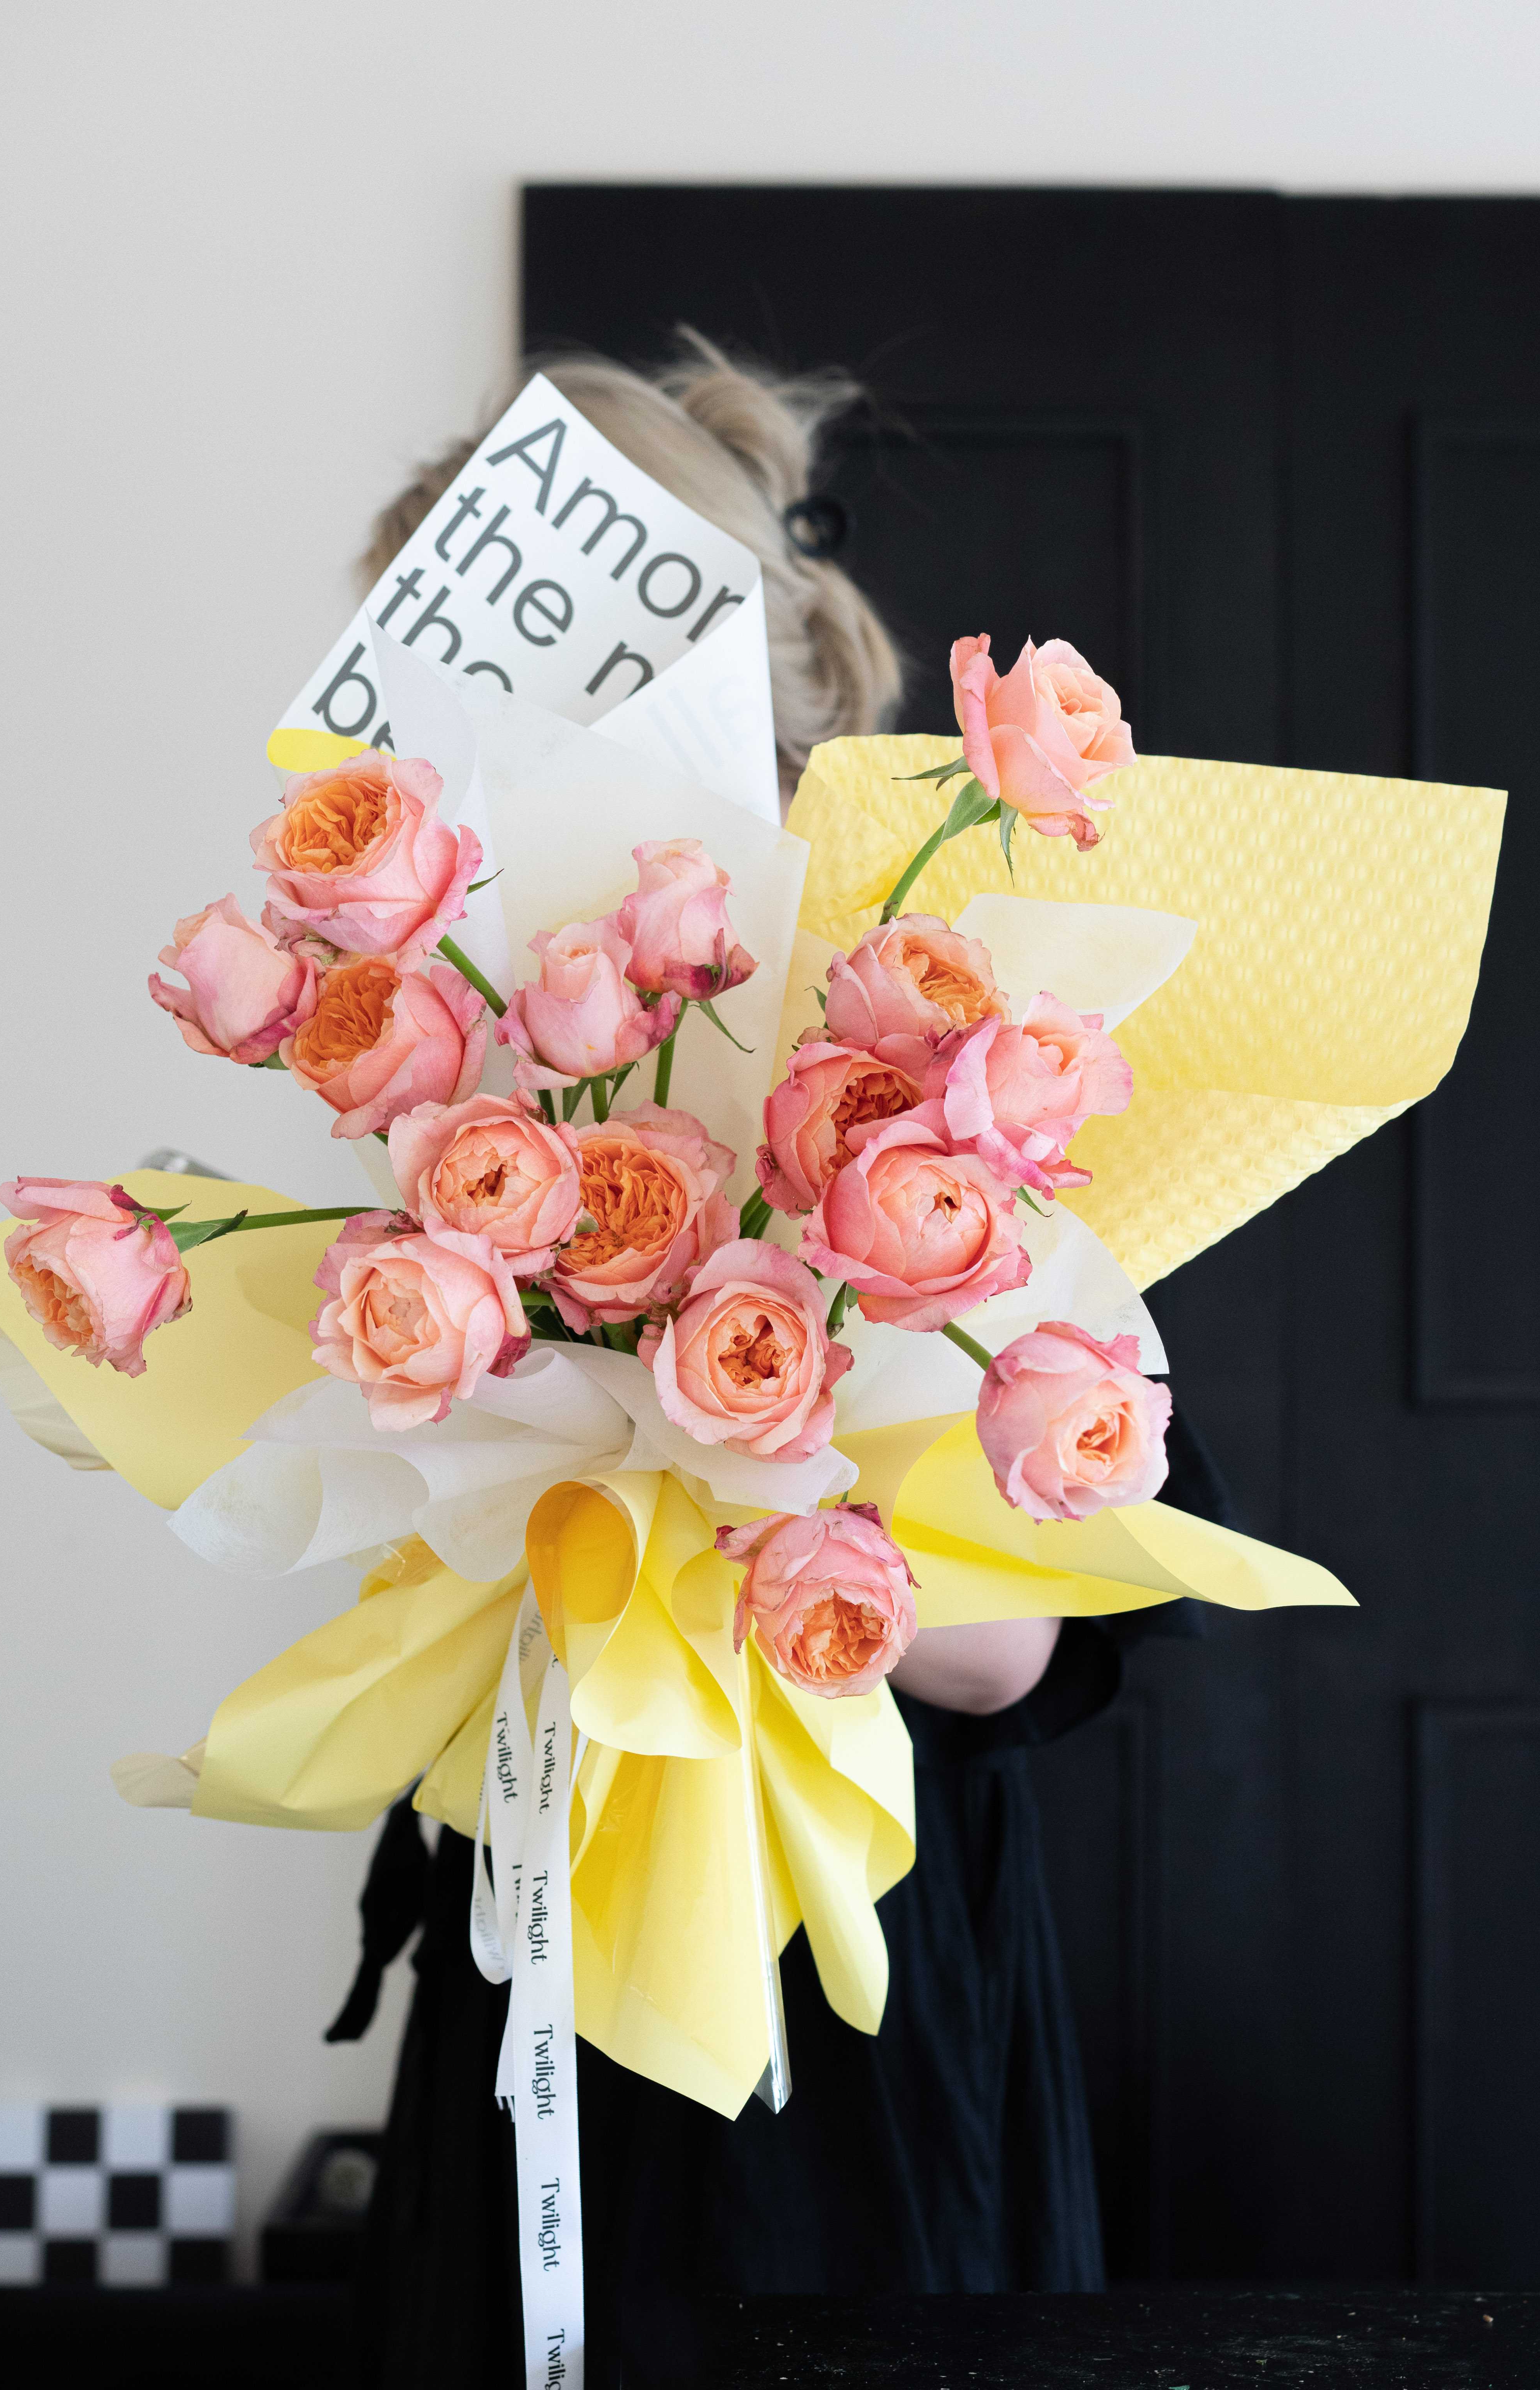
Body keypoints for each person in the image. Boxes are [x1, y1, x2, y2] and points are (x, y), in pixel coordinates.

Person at [334, 332, 1229, 2387]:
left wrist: (718, 1460)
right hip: (535, 1956)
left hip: (849, 2003)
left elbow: (1011, 1649)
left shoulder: (953, 1043)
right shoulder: (444, 1068)